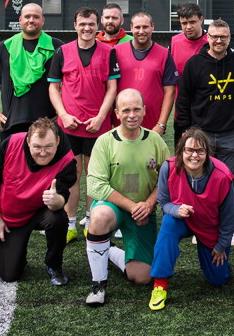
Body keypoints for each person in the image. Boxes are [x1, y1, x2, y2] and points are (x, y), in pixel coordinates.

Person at [84, 89, 168, 307]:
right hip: (115, 208)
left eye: (136, 109)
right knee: (99, 216)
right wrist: (133, 207)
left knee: (142, 277)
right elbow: (95, 185)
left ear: (144, 111)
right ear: (117, 113)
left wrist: (149, 204)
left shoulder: (156, 141)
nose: (132, 114)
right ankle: (98, 285)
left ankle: (109, 250)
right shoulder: (104, 142)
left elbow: (169, 180)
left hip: (144, 210)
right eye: (126, 110)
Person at [48, 6, 120, 243]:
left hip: (96, 126)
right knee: (72, 175)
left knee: (94, 175)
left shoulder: (108, 53)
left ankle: (91, 220)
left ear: (97, 25)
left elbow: (112, 88)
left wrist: (101, 117)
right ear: (75, 26)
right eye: (82, 24)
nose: (87, 28)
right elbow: (53, 87)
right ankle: (69, 223)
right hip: (68, 125)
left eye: (91, 24)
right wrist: (64, 115)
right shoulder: (62, 52)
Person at [175, 19, 234, 246]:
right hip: (201, 133)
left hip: (228, 132)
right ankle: (202, 227)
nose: (219, 40)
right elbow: (184, 98)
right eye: (215, 36)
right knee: (201, 180)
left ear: (229, 39)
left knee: (229, 182)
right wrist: (186, 131)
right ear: (207, 37)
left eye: (223, 37)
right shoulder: (195, 63)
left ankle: (229, 228)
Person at [148, 128, 234, 311]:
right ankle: (160, 284)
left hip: (209, 225)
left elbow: (228, 218)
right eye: (189, 150)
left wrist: (221, 245)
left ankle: (221, 263)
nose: (194, 155)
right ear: (181, 151)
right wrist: (176, 209)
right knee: (168, 224)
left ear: (207, 153)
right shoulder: (169, 167)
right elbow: (163, 202)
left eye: (200, 151)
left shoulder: (222, 175)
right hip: (181, 220)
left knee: (218, 280)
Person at [0, 117, 77, 286]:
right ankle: (18, 257)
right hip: (12, 215)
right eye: (37, 147)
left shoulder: (67, 159)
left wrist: (55, 200)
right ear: (28, 142)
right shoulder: (11, 143)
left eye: (48, 146)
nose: (43, 153)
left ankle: (54, 265)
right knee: (9, 275)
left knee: (58, 217)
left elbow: (62, 198)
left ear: (57, 141)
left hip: (41, 212)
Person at [0, 3, 64, 140]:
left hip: (49, 123)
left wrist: (63, 112)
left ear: (43, 20)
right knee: (12, 161)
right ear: (20, 20)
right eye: (27, 16)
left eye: (36, 17)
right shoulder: (4, 47)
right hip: (12, 122)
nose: (31, 20)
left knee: (46, 159)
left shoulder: (57, 46)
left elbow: (70, 79)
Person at [112, 12, 177, 134]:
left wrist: (161, 124)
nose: (141, 31)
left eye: (145, 27)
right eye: (137, 27)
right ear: (131, 28)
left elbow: (170, 91)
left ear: (152, 26)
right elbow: (109, 88)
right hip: (120, 124)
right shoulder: (116, 51)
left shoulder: (164, 54)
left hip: (152, 126)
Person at [170, 2, 208, 141]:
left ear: (201, 20)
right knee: (182, 157)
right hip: (182, 113)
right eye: (184, 23)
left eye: (192, 22)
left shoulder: (211, 41)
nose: (188, 27)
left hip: (206, 113)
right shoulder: (174, 41)